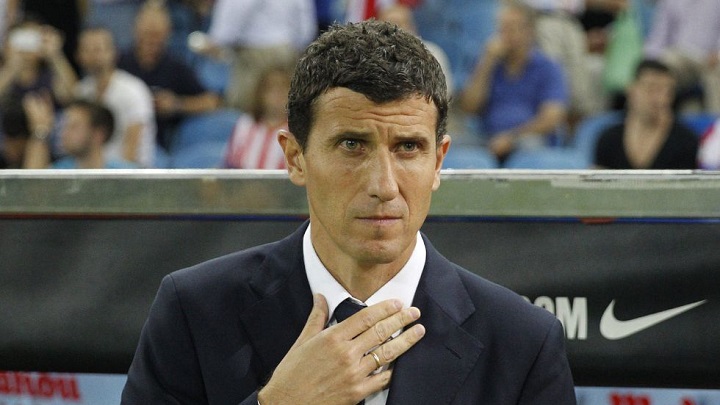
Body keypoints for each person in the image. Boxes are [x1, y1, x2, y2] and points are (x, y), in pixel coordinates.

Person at [121, 20, 576, 404]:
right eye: (352, 145)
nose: (383, 185)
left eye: (409, 148)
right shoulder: (193, 310)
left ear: (438, 162)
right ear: (295, 157)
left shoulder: (523, 343)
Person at [459, 1, 568, 163]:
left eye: (511, 28)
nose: (504, 35)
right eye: (501, 28)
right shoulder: (488, 62)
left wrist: (511, 138)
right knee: (452, 145)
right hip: (487, 137)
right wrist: (487, 62)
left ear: (529, 31)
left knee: (530, 146)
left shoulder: (548, 67)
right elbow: (469, 108)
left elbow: (552, 117)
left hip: (529, 140)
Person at [118, 1, 220, 151]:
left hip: (160, 144)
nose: (151, 40)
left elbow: (212, 101)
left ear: (168, 34)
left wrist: (177, 104)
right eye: (147, 33)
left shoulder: (175, 67)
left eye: (157, 34)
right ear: (135, 31)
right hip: (121, 136)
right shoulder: (120, 63)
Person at [205, 0, 316, 111]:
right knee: (285, 105)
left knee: (248, 106)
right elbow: (305, 21)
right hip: (287, 49)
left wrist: (218, 39)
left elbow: (239, 8)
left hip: (256, 52)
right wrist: (299, 46)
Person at [594, 59, 698, 169]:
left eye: (667, 91)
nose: (661, 99)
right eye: (652, 89)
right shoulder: (609, 140)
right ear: (631, 90)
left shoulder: (686, 142)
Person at [75, 27, 156, 168]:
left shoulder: (133, 89)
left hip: (130, 172)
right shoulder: (82, 91)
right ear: (79, 56)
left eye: (98, 49)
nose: (93, 56)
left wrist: (117, 176)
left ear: (113, 52)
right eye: (87, 50)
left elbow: (133, 145)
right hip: (92, 170)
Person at [21, 93, 137, 169]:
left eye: (74, 126)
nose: (64, 133)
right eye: (65, 126)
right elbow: (32, 191)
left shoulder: (124, 174)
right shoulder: (60, 172)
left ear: (98, 134)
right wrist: (40, 131)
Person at [644, 0, 720, 113]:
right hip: (681, 58)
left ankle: (716, 122)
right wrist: (647, 65)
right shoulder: (671, 2)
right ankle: (651, 118)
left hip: (709, 59)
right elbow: (658, 39)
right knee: (658, 68)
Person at [223, 65, 291, 169]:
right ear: (260, 94)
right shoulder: (245, 124)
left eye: (283, 88)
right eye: (271, 88)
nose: (278, 94)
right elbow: (229, 165)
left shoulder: (297, 130)